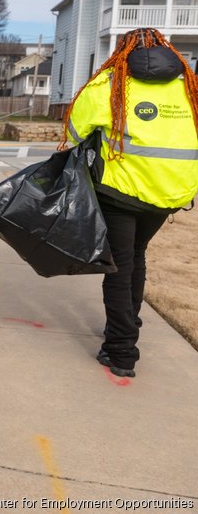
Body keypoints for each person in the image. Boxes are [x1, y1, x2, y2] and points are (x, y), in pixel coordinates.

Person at [62, 27, 198, 378]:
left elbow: (74, 133)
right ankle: (128, 322)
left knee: (119, 266)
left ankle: (121, 349)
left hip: (121, 190)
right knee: (136, 255)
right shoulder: (189, 86)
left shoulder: (111, 82)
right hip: (169, 192)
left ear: (121, 51)